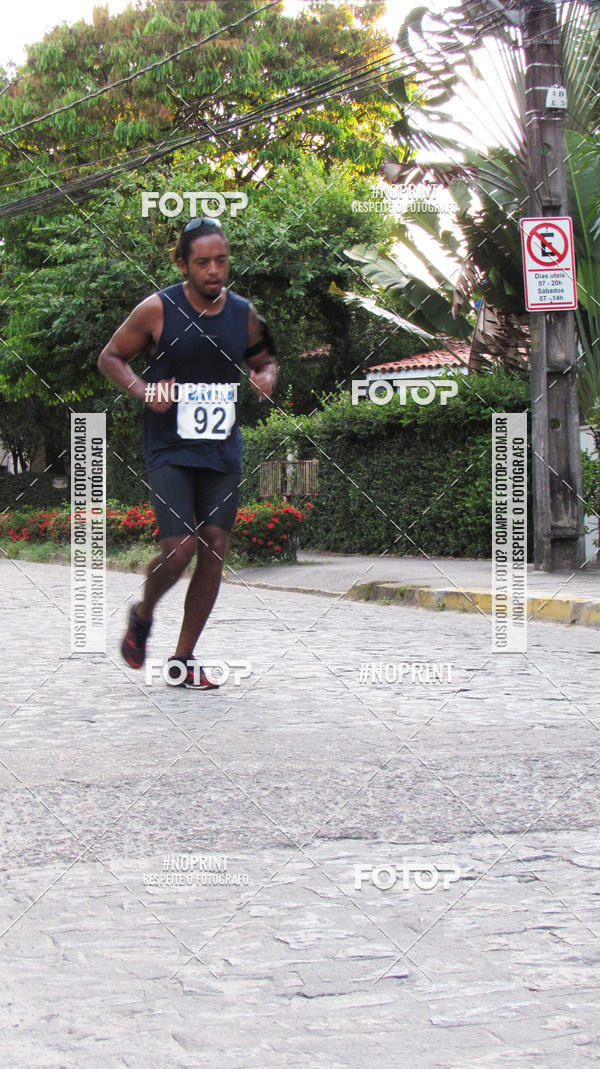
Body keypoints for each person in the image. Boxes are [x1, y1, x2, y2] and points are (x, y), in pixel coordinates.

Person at [98, 217, 277, 688]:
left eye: (221, 260)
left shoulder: (244, 314)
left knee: (215, 547)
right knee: (180, 551)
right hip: (170, 446)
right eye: (203, 262)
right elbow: (110, 358)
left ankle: (183, 659)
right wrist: (143, 390)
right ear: (182, 263)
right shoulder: (157, 310)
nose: (214, 270)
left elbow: (265, 359)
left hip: (222, 448)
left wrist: (266, 378)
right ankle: (143, 612)